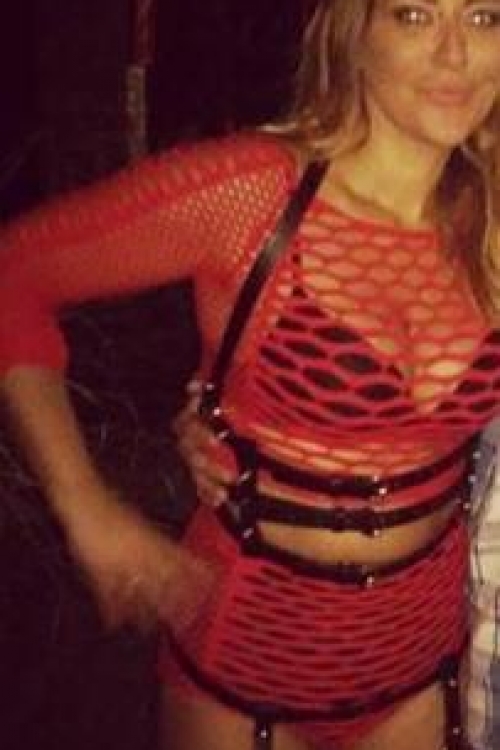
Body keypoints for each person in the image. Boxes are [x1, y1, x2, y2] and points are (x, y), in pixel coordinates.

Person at [1, 1, 500, 748]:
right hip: (244, 666)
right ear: (352, 32)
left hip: (421, 669)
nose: (454, 55)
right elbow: (14, 276)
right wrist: (85, 508)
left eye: (486, 19)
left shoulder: (493, 218)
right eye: (413, 15)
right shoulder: (252, 192)